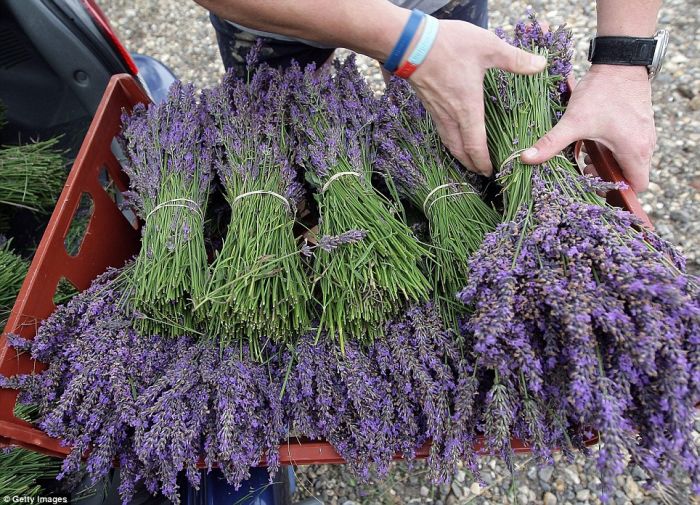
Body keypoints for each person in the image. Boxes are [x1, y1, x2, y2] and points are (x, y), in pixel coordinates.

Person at [195, 0, 661, 192]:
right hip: (275, 12)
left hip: (442, 7)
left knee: (453, 146)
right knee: (277, 141)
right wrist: (409, 44)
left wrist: (623, 62)